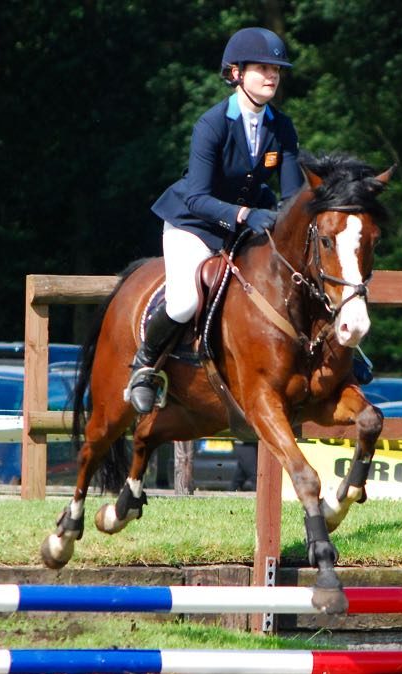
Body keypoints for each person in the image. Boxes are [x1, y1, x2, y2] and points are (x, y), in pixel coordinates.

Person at [126, 27, 303, 414]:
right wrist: (245, 214)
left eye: (276, 69)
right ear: (236, 73)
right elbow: (196, 196)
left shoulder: (282, 127)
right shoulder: (212, 124)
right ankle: (145, 365)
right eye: (262, 68)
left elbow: (292, 195)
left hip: (249, 225)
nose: (272, 75)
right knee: (186, 300)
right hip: (195, 224)